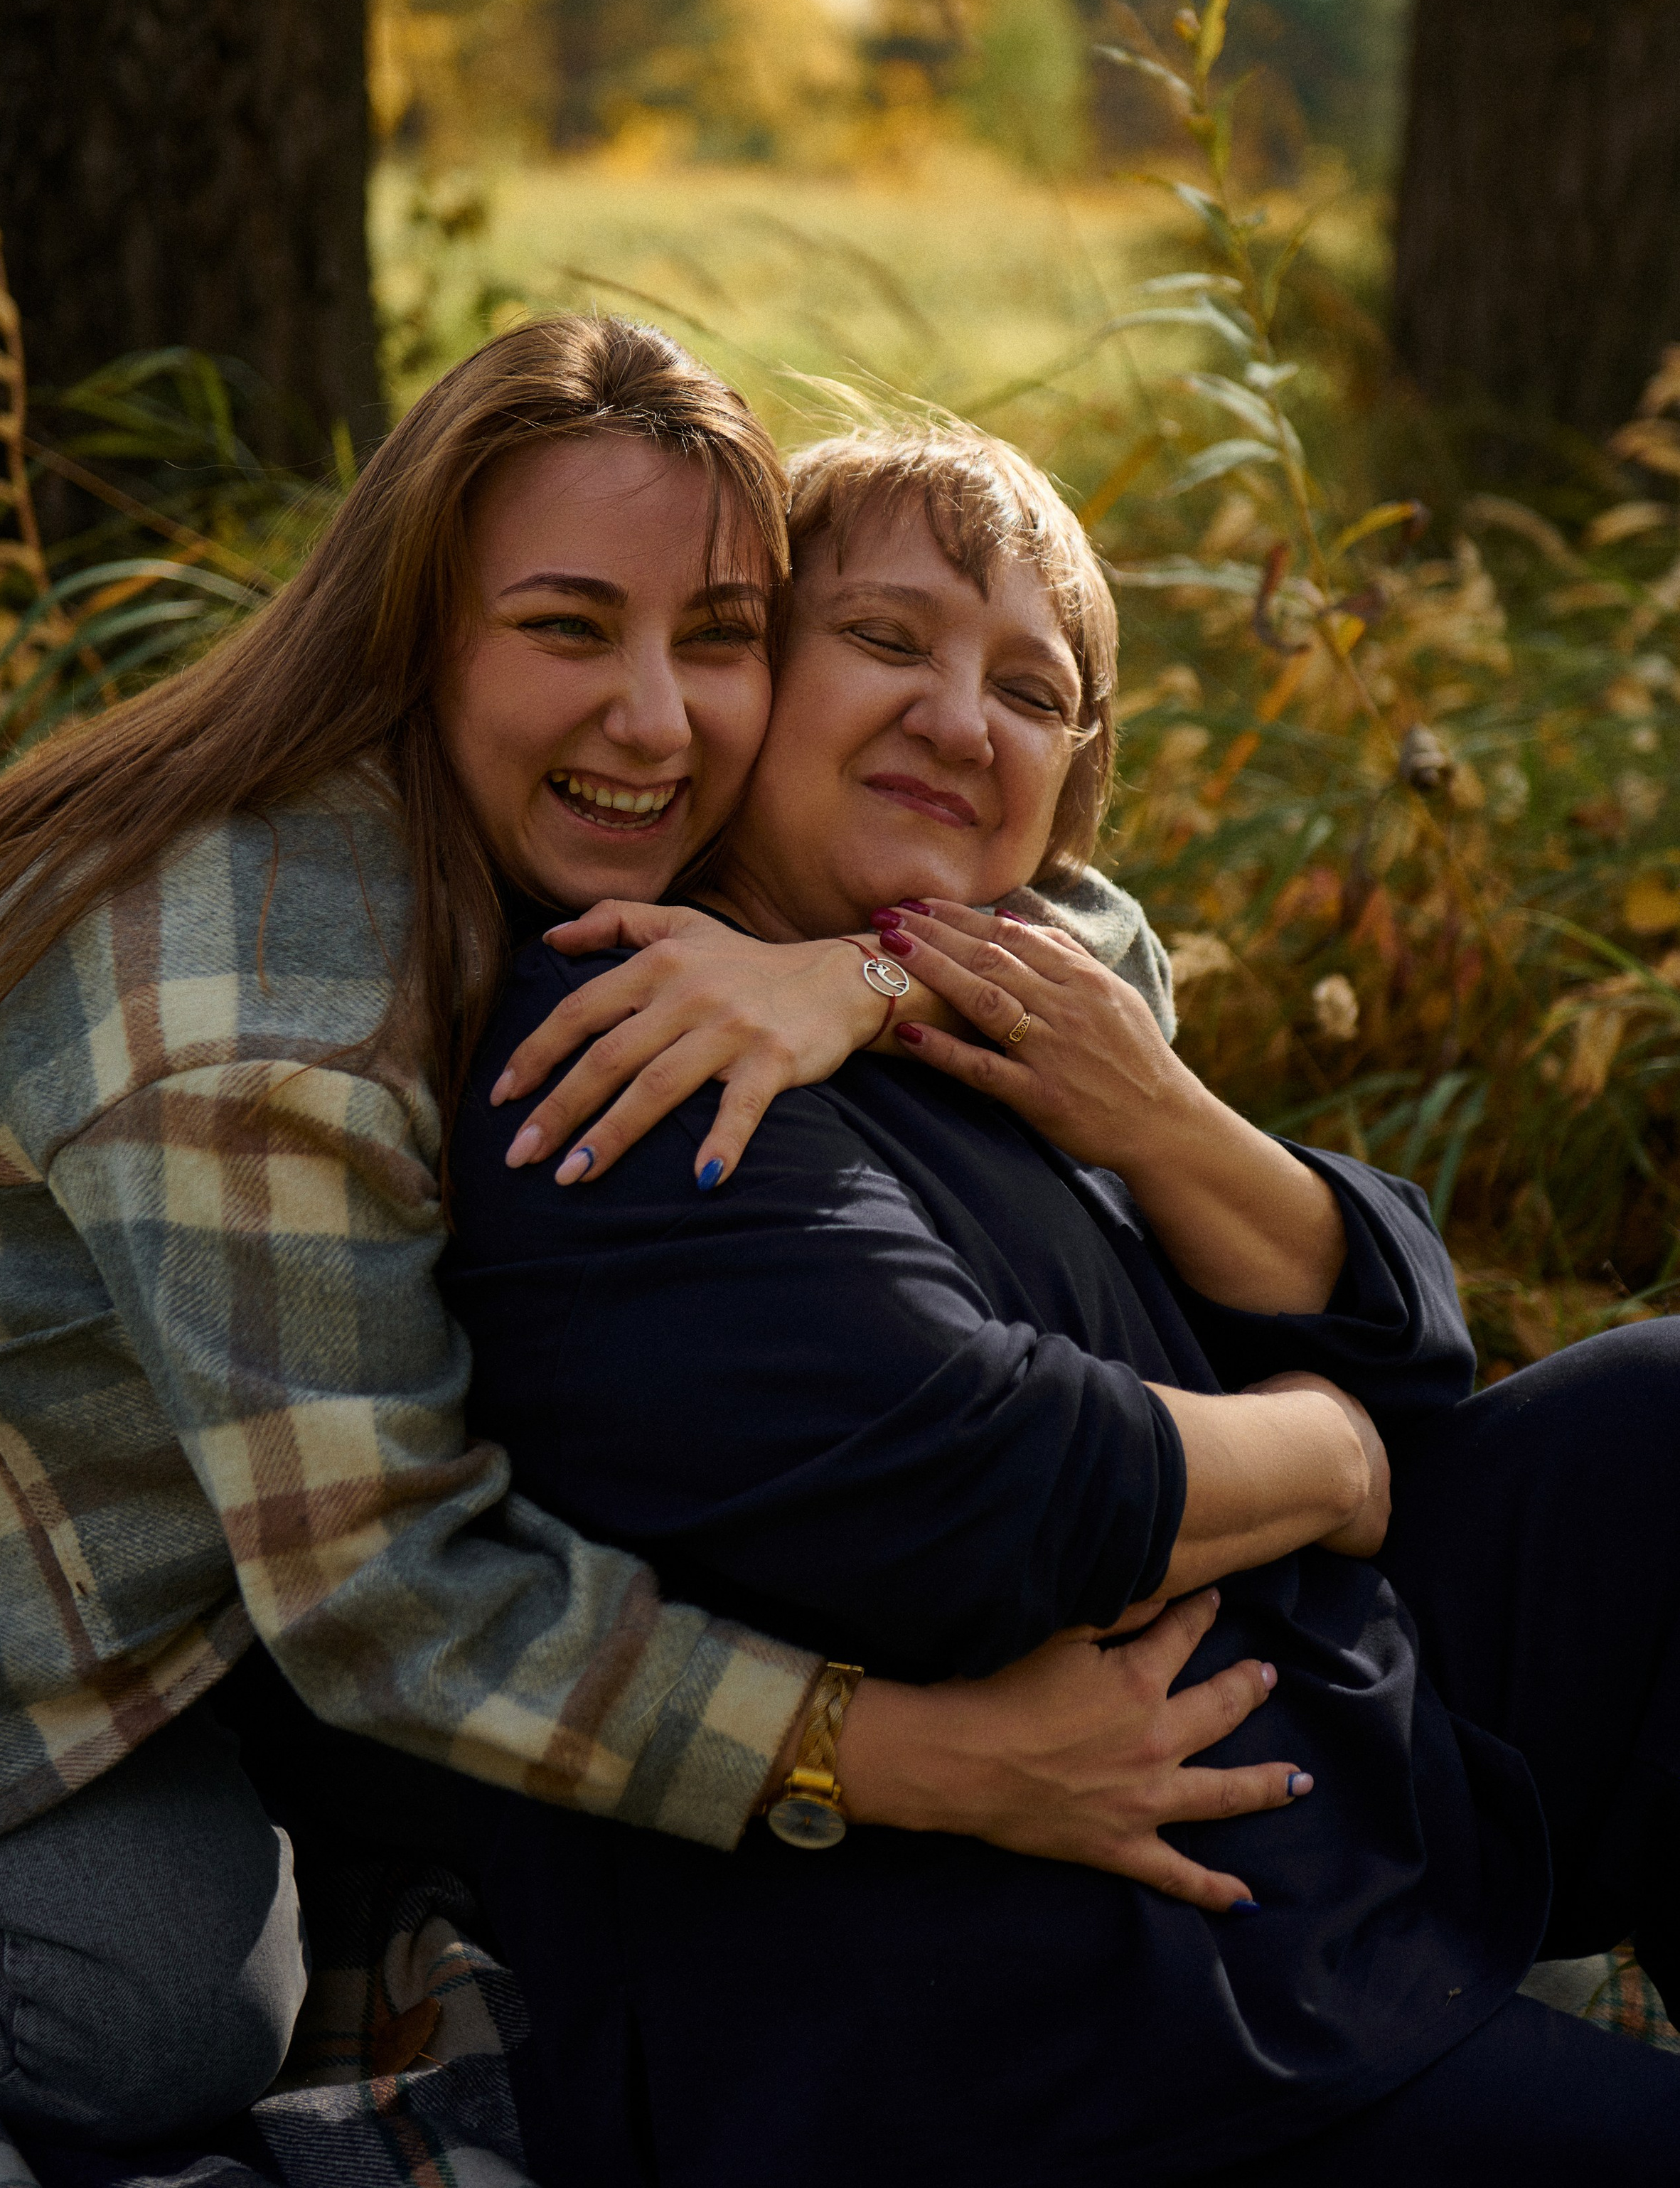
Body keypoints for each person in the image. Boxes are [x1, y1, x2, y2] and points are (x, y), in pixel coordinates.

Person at [0, 318, 1285, 2147]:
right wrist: (925, 1764)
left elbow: (1073, 924)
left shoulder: (587, 819)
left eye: (715, 637)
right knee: (158, 2007)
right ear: (414, 635)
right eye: (563, 628)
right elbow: (386, 1601)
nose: (656, 716)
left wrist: (851, 975)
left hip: (185, 1576)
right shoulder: (258, 1004)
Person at [442, 421, 1680, 2186]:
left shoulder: (979, 1001)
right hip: (1049, 2004)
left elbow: (1410, 1332)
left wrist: (1153, 1114)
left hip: (1308, 1775)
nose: (962, 721)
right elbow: (983, 1489)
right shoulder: (640, 1046)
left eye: (1028, 689)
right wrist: (1322, 1461)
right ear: (741, 680)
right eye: (884, 642)